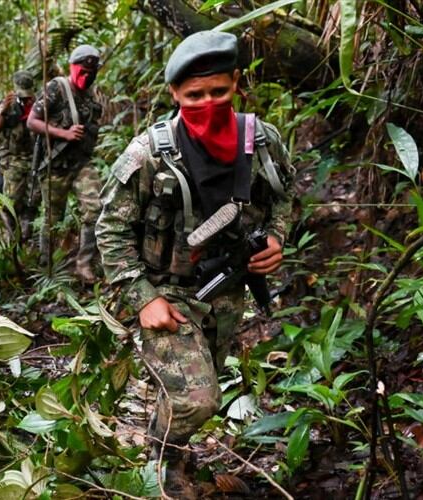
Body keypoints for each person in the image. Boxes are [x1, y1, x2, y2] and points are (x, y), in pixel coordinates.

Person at [95, 31, 295, 498]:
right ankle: (160, 465)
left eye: (218, 92)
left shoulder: (262, 141)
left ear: (237, 84)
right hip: (167, 291)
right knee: (199, 399)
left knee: (193, 391)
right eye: (194, 95)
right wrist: (143, 298)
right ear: (174, 95)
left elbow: (285, 197)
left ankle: (176, 457)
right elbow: (110, 230)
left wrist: (277, 238)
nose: (208, 103)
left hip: (228, 291)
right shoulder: (148, 154)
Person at [27, 44, 104, 283]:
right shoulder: (56, 88)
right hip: (55, 165)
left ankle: (84, 264)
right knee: (52, 217)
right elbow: (32, 121)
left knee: (95, 208)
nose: (87, 75)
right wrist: (64, 134)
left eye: (92, 71)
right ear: (73, 67)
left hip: (81, 163)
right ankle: (48, 267)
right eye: (83, 70)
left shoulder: (91, 95)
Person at [0, 71, 38, 239]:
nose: (26, 99)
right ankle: (10, 239)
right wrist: (2, 111)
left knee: (32, 202)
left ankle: (26, 237)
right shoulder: (9, 105)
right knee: (10, 203)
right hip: (15, 160)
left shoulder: (39, 103)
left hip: (35, 160)